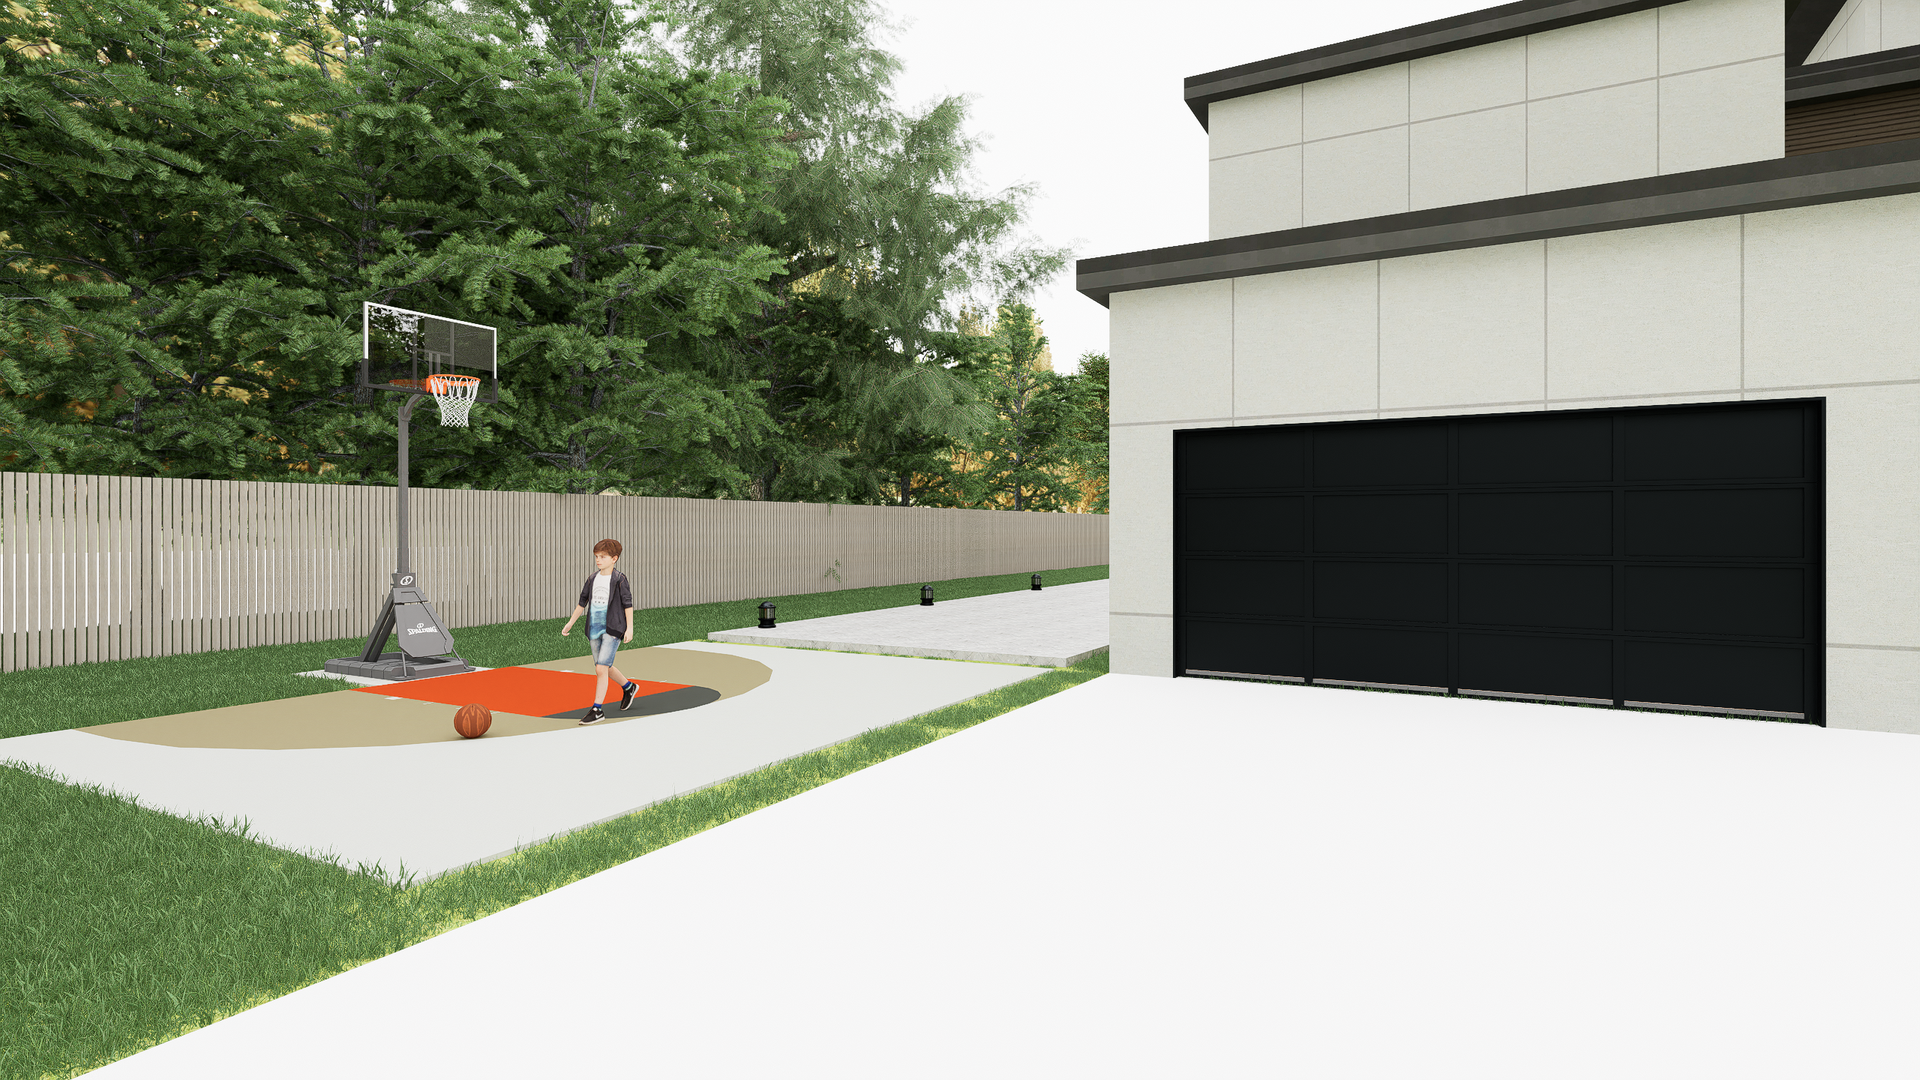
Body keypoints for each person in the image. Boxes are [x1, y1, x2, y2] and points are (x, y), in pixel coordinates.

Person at [560, 539, 641, 725]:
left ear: (614, 559)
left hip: (613, 628)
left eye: (602, 557)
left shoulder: (619, 579)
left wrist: (630, 628)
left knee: (600, 668)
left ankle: (597, 710)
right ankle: (629, 687)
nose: (598, 560)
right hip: (594, 629)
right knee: (605, 666)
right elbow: (582, 603)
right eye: (596, 556)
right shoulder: (592, 578)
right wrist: (571, 623)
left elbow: (627, 604)